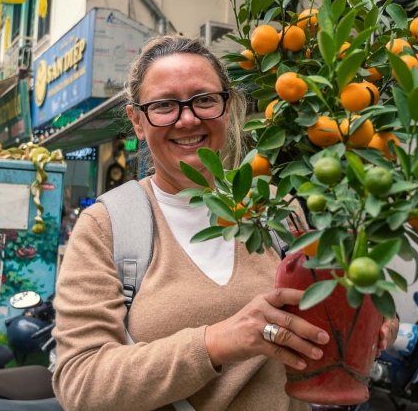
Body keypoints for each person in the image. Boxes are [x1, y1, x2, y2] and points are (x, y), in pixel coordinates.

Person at [52, 36, 399, 411]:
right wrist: (217, 343)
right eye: (164, 105)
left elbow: (334, 291)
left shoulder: (276, 209)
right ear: (137, 121)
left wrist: (376, 313)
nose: (188, 119)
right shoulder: (108, 226)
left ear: (227, 106)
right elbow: (80, 382)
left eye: (204, 100)